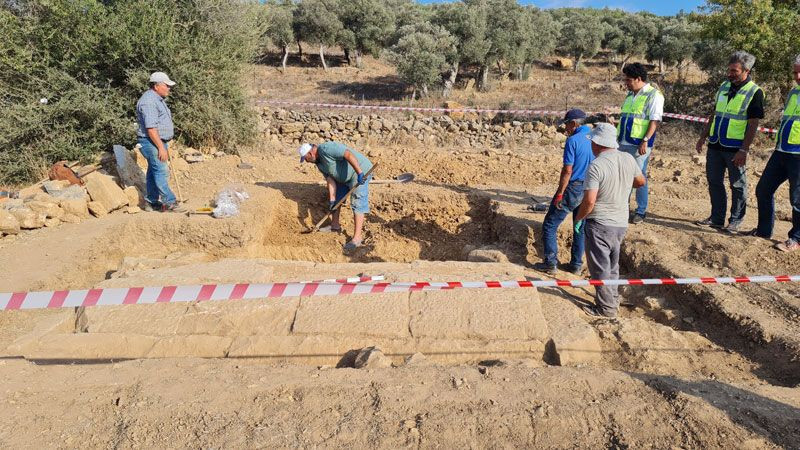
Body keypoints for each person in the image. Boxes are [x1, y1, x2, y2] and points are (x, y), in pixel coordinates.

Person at [574, 123, 646, 318]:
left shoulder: (596, 165)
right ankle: (612, 299)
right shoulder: (628, 158)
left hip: (600, 223)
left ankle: (606, 309)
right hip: (620, 223)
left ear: (597, 143)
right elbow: (641, 181)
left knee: (600, 269)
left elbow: (589, 201)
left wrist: (579, 218)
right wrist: (623, 182)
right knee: (612, 266)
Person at [695, 51, 765, 234]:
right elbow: (715, 113)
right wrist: (703, 136)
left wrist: (744, 150)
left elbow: (753, 124)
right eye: (729, 70)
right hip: (715, 144)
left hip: (735, 148)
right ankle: (716, 218)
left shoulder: (755, 92)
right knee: (714, 182)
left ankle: (735, 221)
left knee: (738, 185)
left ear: (746, 71)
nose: (730, 74)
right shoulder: (724, 86)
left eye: (734, 71)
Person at [533, 109, 594, 275]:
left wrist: (560, 193)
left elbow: (568, 170)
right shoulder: (596, 138)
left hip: (573, 187)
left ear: (574, 123)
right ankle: (576, 265)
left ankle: (550, 263)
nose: (565, 128)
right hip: (590, 187)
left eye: (567, 124)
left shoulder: (573, 141)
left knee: (550, 224)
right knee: (579, 226)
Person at [749, 55, 800, 252]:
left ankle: (796, 238)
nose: (797, 76)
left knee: (797, 199)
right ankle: (763, 231)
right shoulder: (793, 93)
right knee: (763, 189)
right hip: (782, 151)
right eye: (795, 72)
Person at [612, 63, 664, 224]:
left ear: (638, 79)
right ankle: (623, 208)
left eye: (628, 80)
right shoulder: (630, 95)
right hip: (623, 142)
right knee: (623, 176)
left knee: (639, 176)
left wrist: (645, 140)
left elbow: (654, 121)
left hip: (639, 144)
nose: (625, 83)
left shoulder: (653, 95)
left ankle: (641, 211)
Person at [299, 141, 373, 250]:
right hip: (343, 178)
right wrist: (332, 199)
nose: (306, 161)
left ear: (310, 154)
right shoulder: (319, 163)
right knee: (337, 199)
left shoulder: (326, 149)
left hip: (359, 171)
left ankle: (357, 238)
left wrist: (360, 173)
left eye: (306, 159)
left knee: (357, 201)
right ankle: (335, 226)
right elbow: (330, 179)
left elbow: (347, 154)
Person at [136, 71, 183, 212]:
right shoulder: (149, 102)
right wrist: (161, 147)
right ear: (156, 86)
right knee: (161, 170)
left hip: (156, 141)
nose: (169, 88)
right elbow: (151, 129)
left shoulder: (157, 99)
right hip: (151, 141)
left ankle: (151, 202)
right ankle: (169, 202)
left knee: (153, 171)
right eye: (166, 85)